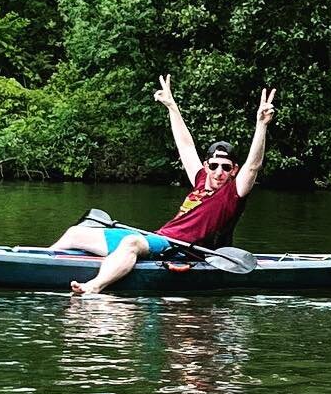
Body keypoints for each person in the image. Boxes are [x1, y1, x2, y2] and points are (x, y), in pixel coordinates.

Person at [51, 75, 276, 296]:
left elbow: (253, 165)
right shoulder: (199, 179)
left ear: (233, 170)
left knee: (131, 242)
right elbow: (186, 146)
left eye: (226, 168)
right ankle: (33, 262)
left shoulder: (233, 194)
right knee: (76, 233)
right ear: (207, 166)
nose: (219, 172)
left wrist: (261, 125)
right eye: (215, 165)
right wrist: (171, 106)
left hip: (180, 250)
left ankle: (94, 286)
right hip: (160, 238)